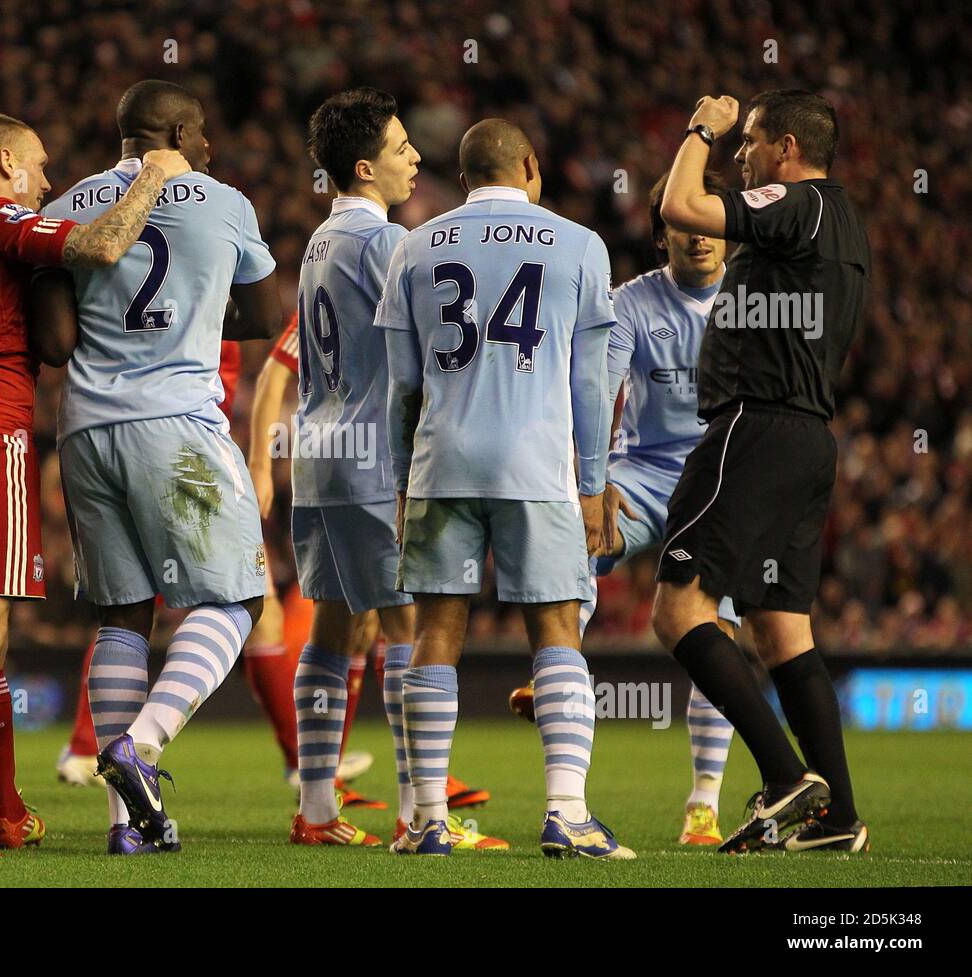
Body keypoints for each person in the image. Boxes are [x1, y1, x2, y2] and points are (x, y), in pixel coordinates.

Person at [0, 110, 190, 857]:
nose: (50, 182)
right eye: (41, 166)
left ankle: (9, 809)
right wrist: (155, 171)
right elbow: (101, 242)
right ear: (4, 161)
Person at [379, 119, 633, 858]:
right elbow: (591, 382)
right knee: (555, 630)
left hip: (442, 463)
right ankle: (566, 812)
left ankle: (427, 817)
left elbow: (400, 387)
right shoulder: (580, 244)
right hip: (537, 466)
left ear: (463, 179)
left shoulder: (414, 244)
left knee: (434, 634)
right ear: (528, 166)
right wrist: (593, 482)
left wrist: (402, 483)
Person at [40, 79, 280, 854]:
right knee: (237, 598)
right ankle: (140, 743)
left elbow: (54, 338)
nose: (209, 145)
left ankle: (127, 828)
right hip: (176, 426)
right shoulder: (225, 202)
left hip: (85, 430)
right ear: (175, 130)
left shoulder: (68, 205)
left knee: (122, 616)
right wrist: (196, 311)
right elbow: (266, 316)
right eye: (201, 131)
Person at [653, 91, 872, 854]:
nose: (739, 156)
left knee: (678, 610)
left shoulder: (796, 202)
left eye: (748, 143)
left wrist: (699, 130)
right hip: (809, 435)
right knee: (781, 630)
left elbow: (682, 205)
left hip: (754, 423)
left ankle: (784, 778)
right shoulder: (844, 221)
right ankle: (838, 815)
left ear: (785, 149)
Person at [287, 88, 505, 851]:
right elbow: (429, 349)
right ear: (364, 165)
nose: (415, 157)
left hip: (317, 459)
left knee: (333, 626)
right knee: (408, 626)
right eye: (402, 146)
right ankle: (422, 814)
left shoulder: (320, 241)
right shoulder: (385, 244)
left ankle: (316, 809)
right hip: (375, 457)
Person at [508, 172, 740, 846]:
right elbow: (598, 386)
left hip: (719, 484)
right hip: (638, 477)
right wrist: (593, 480)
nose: (696, 235)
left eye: (708, 221)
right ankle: (555, 660)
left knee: (715, 639)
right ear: (660, 232)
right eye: (680, 224)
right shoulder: (631, 302)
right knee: (571, 544)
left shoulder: (754, 305)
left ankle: (703, 803)